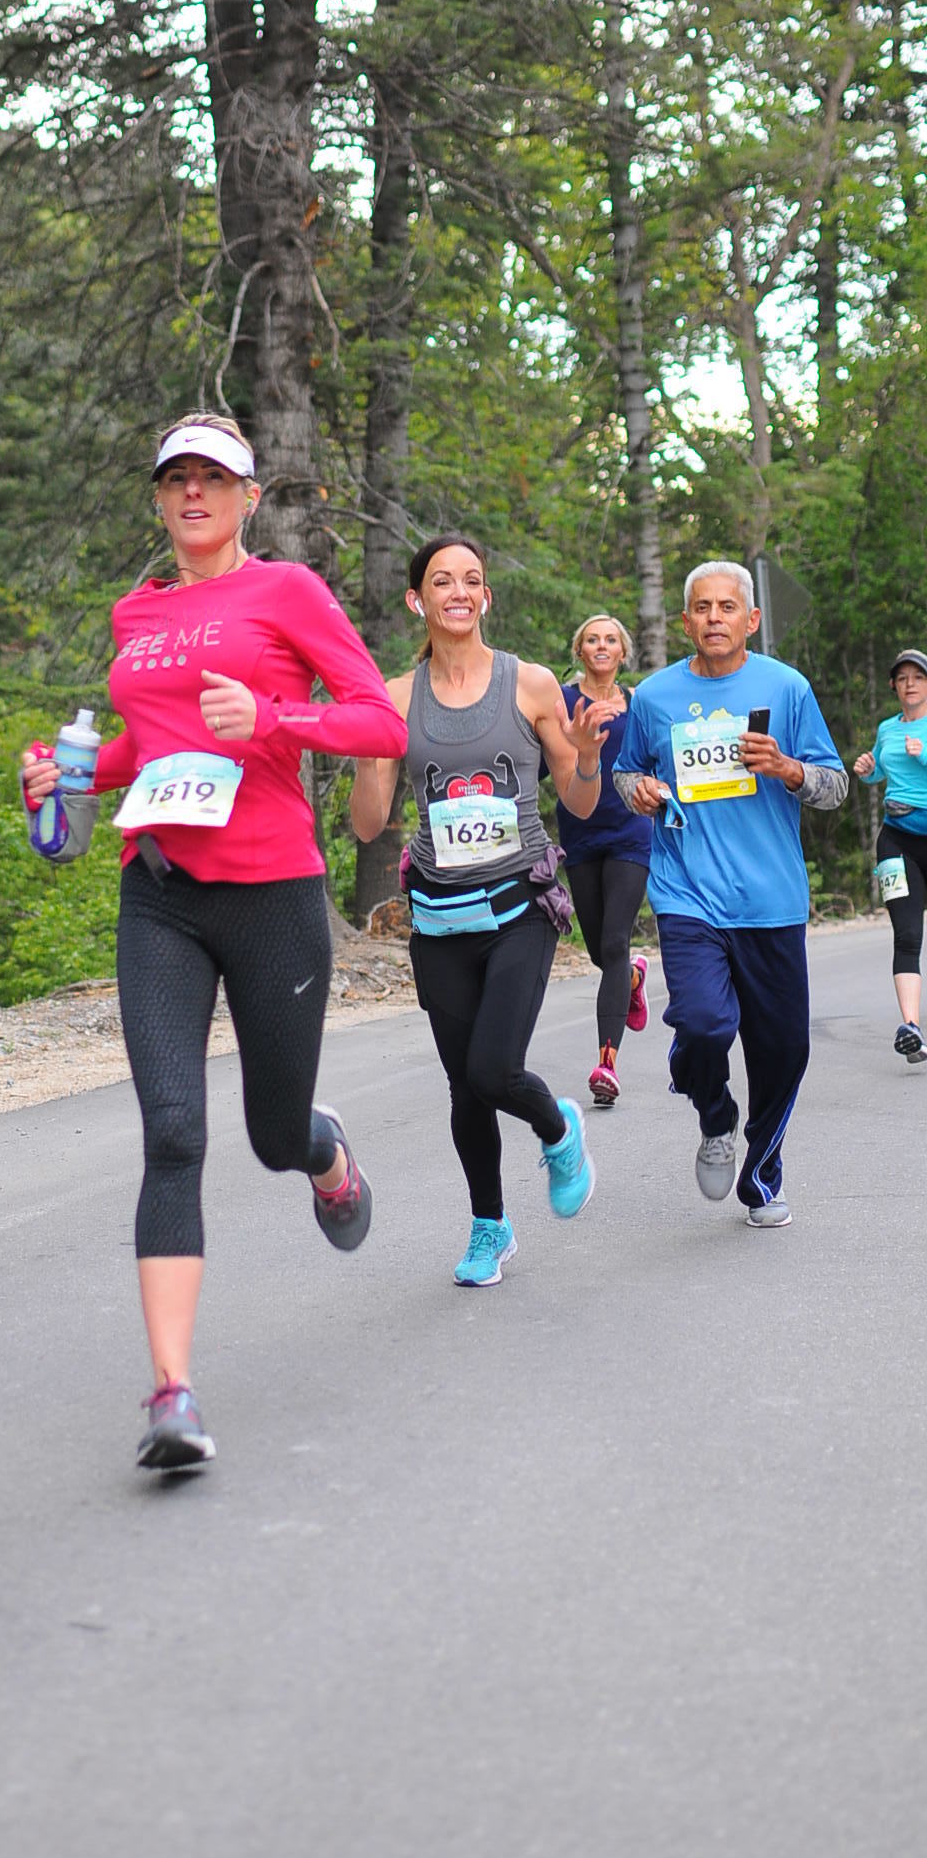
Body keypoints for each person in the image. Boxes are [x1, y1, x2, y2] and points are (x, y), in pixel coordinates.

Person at [22, 412, 406, 1469]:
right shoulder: (136, 611)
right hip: (161, 893)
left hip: (273, 893)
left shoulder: (289, 592)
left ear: (248, 497)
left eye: (213, 477)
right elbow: (150, 746)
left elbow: (379, 722)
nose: (193, 492)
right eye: (176, 478)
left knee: (271, 1135)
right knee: (174, 1133)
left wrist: (275, 719)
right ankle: (172, 1392)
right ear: (159, 497)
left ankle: (322, 1151)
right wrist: (69, 773)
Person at [350, 534, 609, 1291]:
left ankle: (557, 1129)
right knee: (466, 1087)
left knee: (493, 1068)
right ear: (417, 600)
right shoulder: (397, 698)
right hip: (439, 917)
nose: (458, 592)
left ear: (486, 597)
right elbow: (367, 826)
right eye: (441, 581)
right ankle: (489, 1226)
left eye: (471, 580)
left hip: (519, 905)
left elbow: (579, 803)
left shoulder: (530, 685)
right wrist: (368, 753)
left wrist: (589, 758)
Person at [614, 560, 847, 1226]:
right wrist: (641, 791)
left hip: (771, 899)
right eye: (702, 607)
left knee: (784, 1050)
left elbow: (834, 787)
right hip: (688, 893)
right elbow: (626, 776)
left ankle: (762, 1172)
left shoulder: (787, 687)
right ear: (685, 621)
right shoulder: (654, 696)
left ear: (751, 619)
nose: (714, 617)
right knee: (703, 1023)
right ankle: (715, 1116)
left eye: (727, 607)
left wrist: (788, 768)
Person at [556, 615, 653, 1106]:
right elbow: (547, 761)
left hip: (631, 832)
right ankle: (633, 977)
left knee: (615, 942)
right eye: (592, 639)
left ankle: (606, 1065)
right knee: (601, 952)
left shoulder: (639, 703)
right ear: (580, 650)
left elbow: (657, 757)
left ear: (622, 652)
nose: (601, 645)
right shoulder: (561, 701)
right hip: (580, 832)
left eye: (610, 639)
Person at [852, 648, 927, 1064]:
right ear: (894, 686)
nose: (910, 684)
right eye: (903, 678)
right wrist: (868, 770)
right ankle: (911, 1028)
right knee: (907, 935)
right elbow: (881, 772)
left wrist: (923, 754)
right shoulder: (886, 729)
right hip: (897, 841)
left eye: (918, 677)